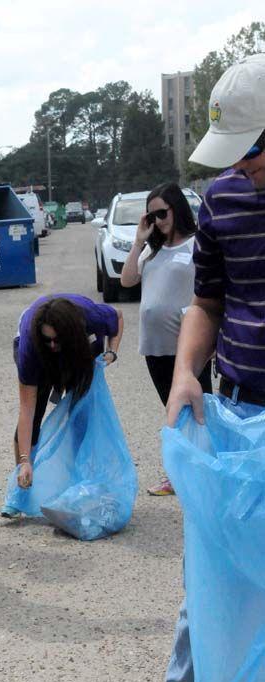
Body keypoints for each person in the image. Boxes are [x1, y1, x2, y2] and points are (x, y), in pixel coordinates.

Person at [152, 53, 265, 682]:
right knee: (213, 593)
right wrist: (187, 369)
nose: (247, 170)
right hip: (240, 409)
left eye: (255, 152)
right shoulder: (223, 196)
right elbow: (209, 299)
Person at [120, 183, 212, 496]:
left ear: (177, 209)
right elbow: (127, 279)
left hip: (188, 346)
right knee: (171, 410)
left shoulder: (197, 244)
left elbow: (212, 292)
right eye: (153, 215)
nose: (159, 220)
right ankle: (180, 473)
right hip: (155, 346)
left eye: (163, 213)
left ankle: (200, 471)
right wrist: (138, 242)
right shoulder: (152, 249)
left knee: (199, 411)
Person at [2, 294, 123, 514]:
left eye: (57, 340)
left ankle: (79, 485)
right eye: (48, 339)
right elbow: (26, 411)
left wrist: (112, 351)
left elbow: (118, 317)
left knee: (80, 415)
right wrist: (24, 460)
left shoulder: (91, 317)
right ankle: (21, 488)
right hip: (39, 356)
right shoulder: (32, 344)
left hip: (79, 350)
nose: (53, 344)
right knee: (35, 413)